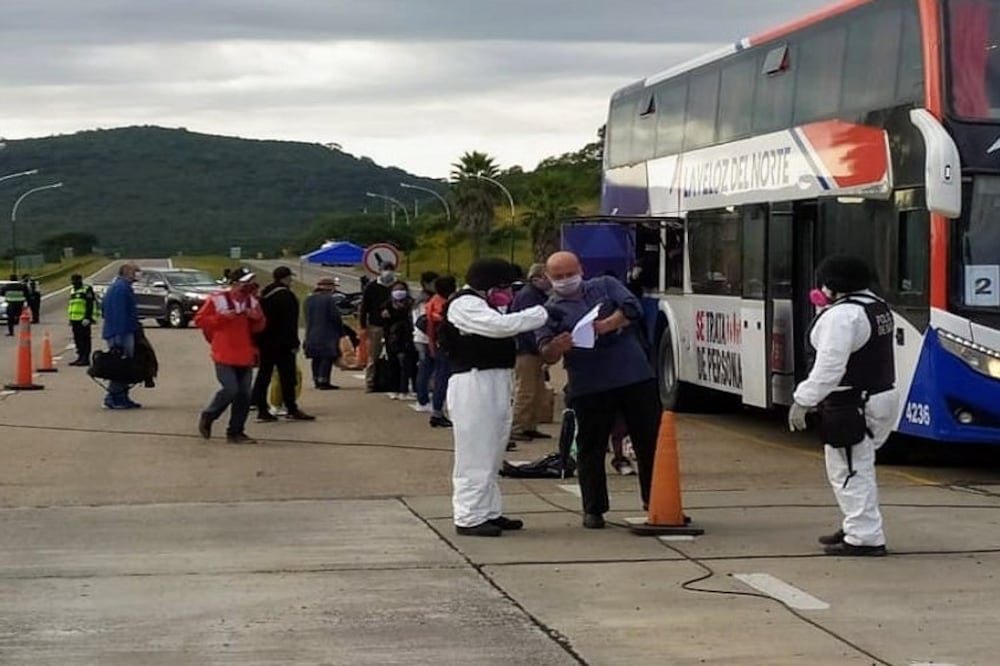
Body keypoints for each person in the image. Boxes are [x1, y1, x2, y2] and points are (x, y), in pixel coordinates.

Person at [538, 251, 659, 529]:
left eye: (570, 273)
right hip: (589, 384)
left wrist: (605, 325)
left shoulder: (605, 285)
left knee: (648, 441)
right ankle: (594, 508)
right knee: (591, 447)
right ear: (548, 278)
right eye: (558, 277)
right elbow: (545, 352)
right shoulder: (548, 310)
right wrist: (559, 345)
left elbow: (632, 308)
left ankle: (655, 499)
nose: (566, 280)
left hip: (633, 375)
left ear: (581, 269)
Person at [788, 255, 896, 557]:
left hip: (852, 403)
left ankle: (864, 536)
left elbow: (829, 368)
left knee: (849, 470)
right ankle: (857, 524)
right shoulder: (875, 306)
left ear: (833, 285)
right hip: (879, 396)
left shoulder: (841, 317)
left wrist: (802, 400)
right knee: (859, 465)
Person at [442, 257, 550, 537]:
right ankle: (469, 516)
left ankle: (488, 510)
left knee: (493, 450)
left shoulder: (486, 304)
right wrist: (543, 313)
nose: (508, 292)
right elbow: (499, 327)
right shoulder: (464, 304)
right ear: (487, 285)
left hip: (495, 380)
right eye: (503, 286)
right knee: (475, 452)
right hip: (473, 381)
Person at [195, 268, 266, 444]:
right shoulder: (218, 300)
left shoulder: (252, 301)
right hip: (224, 353)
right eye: (245, 282)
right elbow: (200, 320)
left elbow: (260, 327)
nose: (249, 285)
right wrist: (222, 318)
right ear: (234, 283)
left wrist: (255, 318)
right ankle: (209, 415)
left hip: (245, 353)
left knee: (244, 394)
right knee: (230, 389)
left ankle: (236, 431)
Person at [251, 266, 314, 421]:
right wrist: (294, 343)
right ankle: (291, 408)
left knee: (264, 375)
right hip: (283, 343)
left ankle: (261, 408)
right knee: (288, 376)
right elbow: (290, 323)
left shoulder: (265, 293)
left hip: (265, 341)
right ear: (286, 278)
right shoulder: (287, 296)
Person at [510, 263, 553, 442]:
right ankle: (518, 426)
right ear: (537, 278)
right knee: (526, 390)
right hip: (527, 349)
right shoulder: (530, 296)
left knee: (537, 389)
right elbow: (530, 327)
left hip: (532, 348)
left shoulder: (536, 295)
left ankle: (530, 425)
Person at [101, 262, 142, 409]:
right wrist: (119, 338)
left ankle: (121, 396)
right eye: (136, 271)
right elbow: (119, 314)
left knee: (123, 366)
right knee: (121, 366)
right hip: (121, 333)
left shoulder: (118, 287)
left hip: (119, 331)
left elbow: (104, 308)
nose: (139, 273)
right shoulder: (121, 288)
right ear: (127, 272)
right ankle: (114, 397)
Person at [359, 262, 395, 392]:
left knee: (393, 355)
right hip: (376, 325)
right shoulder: (372, 287)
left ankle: (393, 382)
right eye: (385, 269)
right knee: (374, 355)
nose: (388, 272)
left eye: (390, 269)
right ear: (379, 270)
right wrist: (363, 325)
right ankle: (370, 383)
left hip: (394, 326)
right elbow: (364, 307)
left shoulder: (396, 286)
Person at [426, 275, 456, 428]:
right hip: (446, 346)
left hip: (437, 344)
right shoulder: (443, 304)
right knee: (443, 379)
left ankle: (437, 411)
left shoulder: (433, 301)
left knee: (441, 378)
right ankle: (437, 412)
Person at [303, 277, 344, 390]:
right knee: (327, 357)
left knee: (316, 357)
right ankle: (324, 380)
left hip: (311, 333)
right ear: (328, 287)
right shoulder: (328, 300)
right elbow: (335, 317)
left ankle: (316, 379)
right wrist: (341, 332)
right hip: (327, 333)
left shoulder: (309, 299)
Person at [381, 280, 415, 400]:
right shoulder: (387, 305)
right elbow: (383, 322)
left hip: (407, 337)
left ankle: (405, 389)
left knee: (407, 364)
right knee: (393, 363)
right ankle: (394, 389)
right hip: (392, 338)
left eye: (401, 289)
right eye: (396, 290)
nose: (399, 292)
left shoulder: (411, 304)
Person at [411, 271, 439, 413]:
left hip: (427, 339)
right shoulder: (424, 300)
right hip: (424, 339)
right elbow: (422, 322)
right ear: (427, 284)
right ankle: (422, 400)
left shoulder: (429, 298)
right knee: (425, 369)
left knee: (429, 369)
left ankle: (426, 397)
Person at [67, 273, 97, 366]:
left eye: (76, 280)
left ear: (80, 280)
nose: (74, 282)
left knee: (85, 339)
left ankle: (85, 358)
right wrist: (70, 319)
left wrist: (88, 318)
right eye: (72, 281)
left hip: (83, 319)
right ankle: (80, 357)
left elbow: (90, 304)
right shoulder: (72, 290)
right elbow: (72, 305)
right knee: (77, 339)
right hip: (74, 319)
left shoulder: (86, 289)